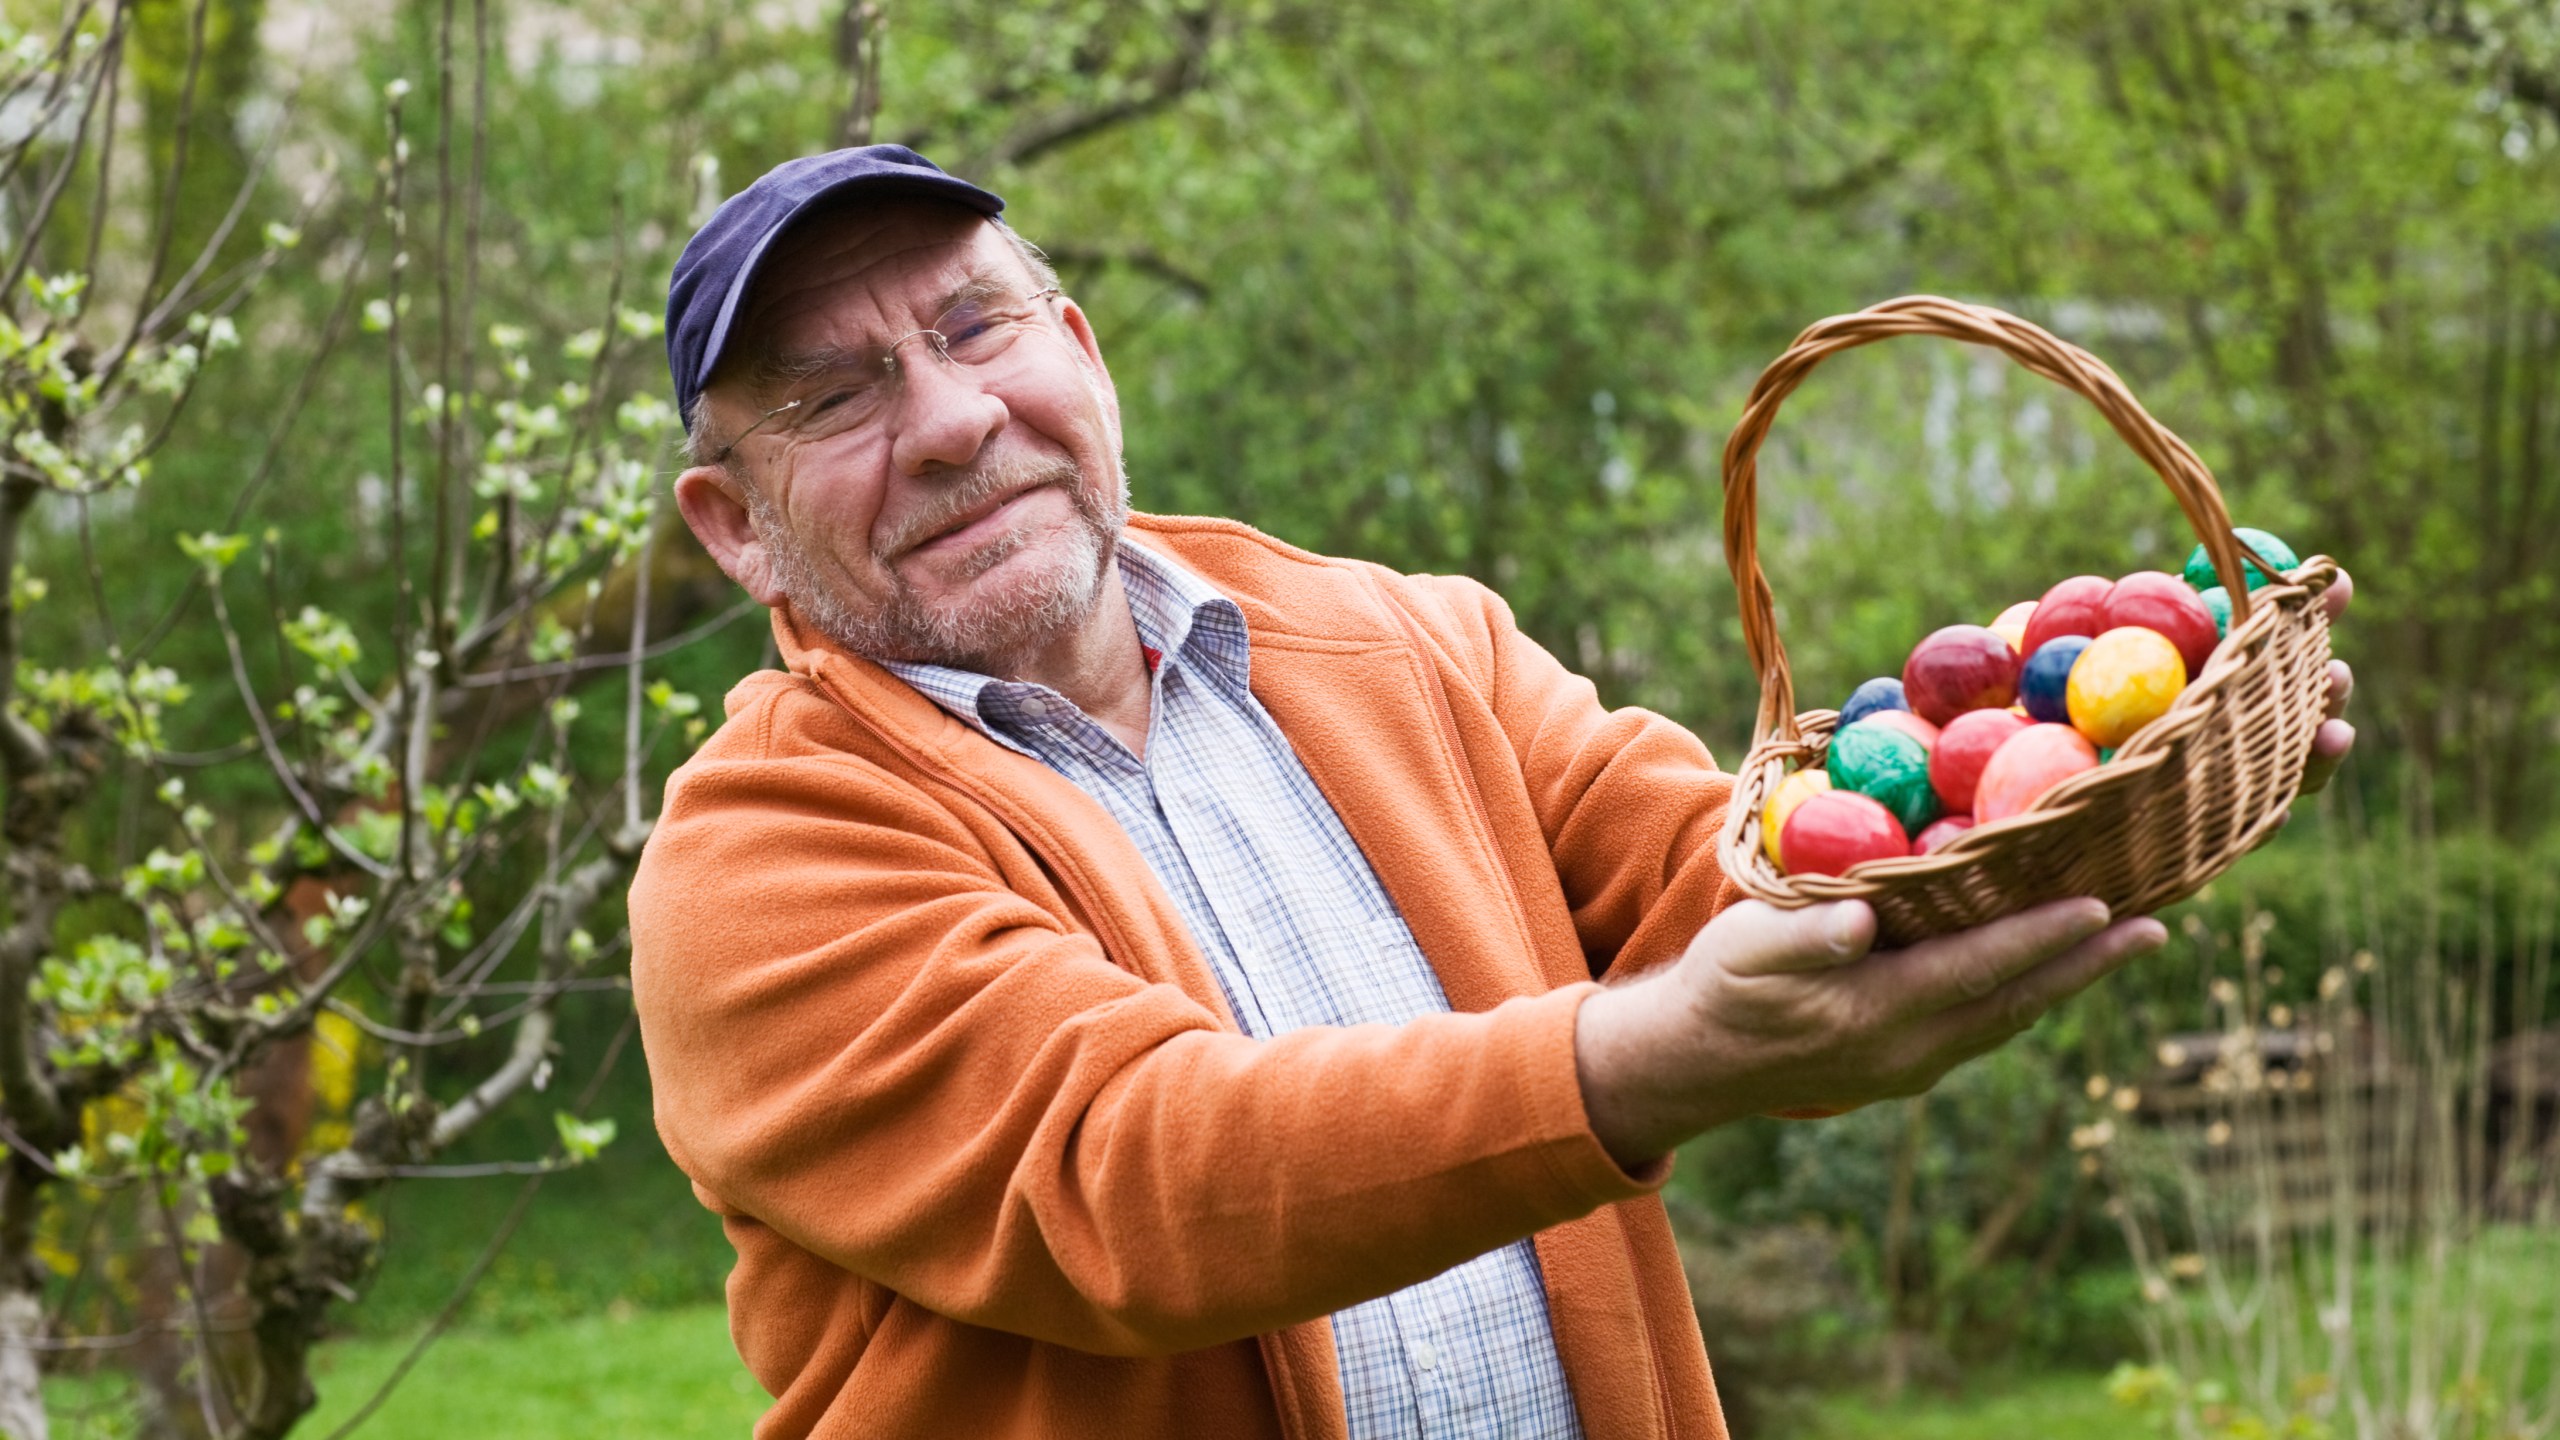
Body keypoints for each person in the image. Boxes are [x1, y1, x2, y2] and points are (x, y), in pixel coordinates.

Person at [628, 145, 2357, 1440]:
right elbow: (1131, 1178)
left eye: (974, 328)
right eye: (834, 398)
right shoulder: (760, 861)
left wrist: (2046, 808)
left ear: (1079, 351)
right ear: (735, 524)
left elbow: (1723, 872)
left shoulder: (1398, 637)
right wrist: (1636, 1064)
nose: (946, 422)